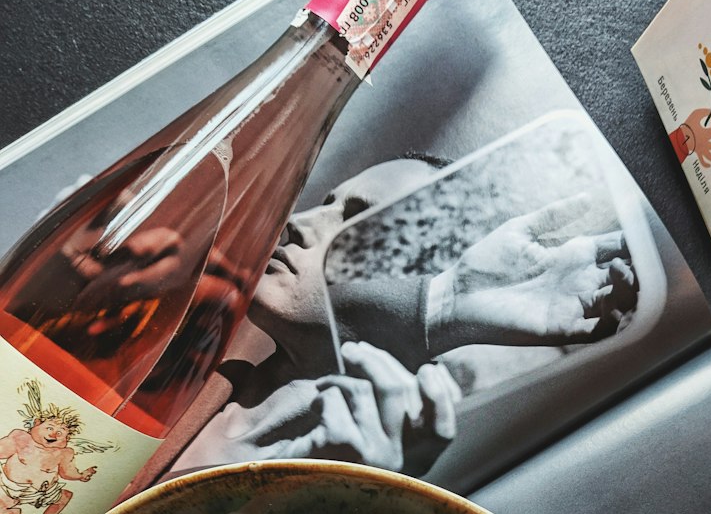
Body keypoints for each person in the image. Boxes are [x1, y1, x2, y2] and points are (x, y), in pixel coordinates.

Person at [166, 155, 638, 477]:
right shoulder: (189, 360)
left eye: (357, 222)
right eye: (328, 203)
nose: (301, 220)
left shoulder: (364, 468)